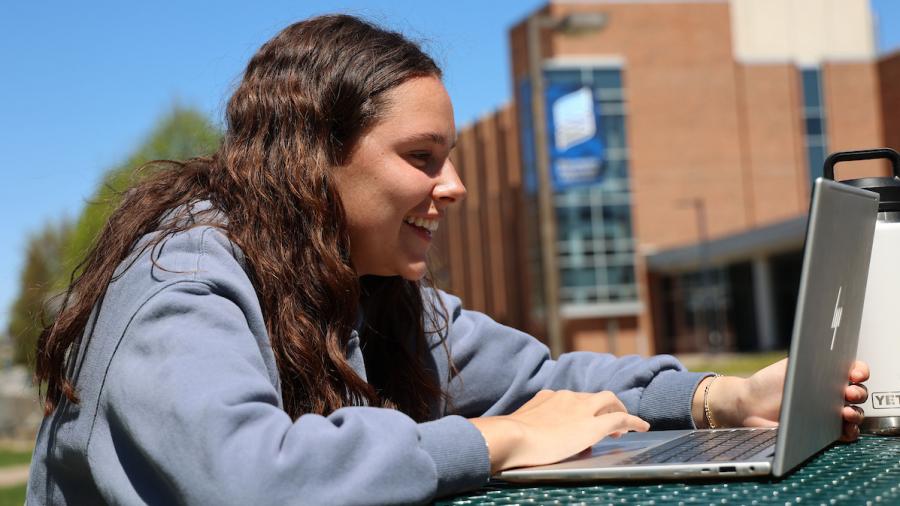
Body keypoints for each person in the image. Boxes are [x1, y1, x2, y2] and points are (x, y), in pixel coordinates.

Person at [27, 14, 868, 505]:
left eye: (454, 156)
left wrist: (726, 397)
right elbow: (249, 479)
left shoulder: (373, 291)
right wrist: (492, 441)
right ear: (314, 157)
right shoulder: (182, 277)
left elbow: (545, 379)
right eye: (423, 156)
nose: (455, 185)